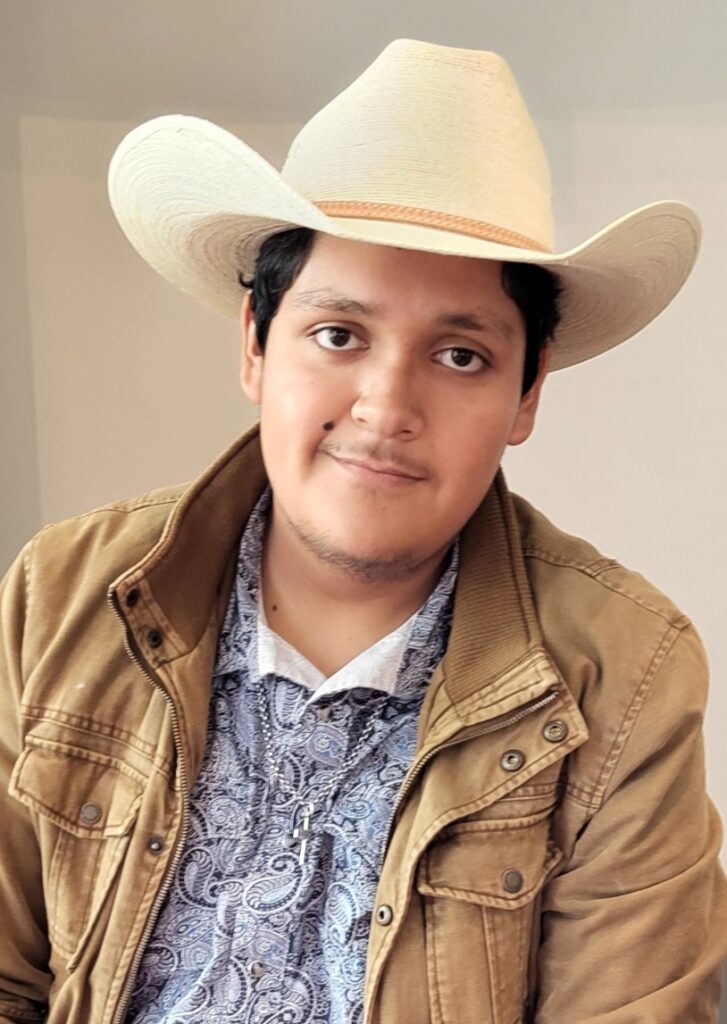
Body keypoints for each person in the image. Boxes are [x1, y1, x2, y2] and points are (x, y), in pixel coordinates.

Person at [0, 37, 724, 1024]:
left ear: (526, 393)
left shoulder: (625, 675)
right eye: (338, 335)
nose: (385, 407)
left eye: (460, 355)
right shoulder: (61, 594)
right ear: (256, 347)